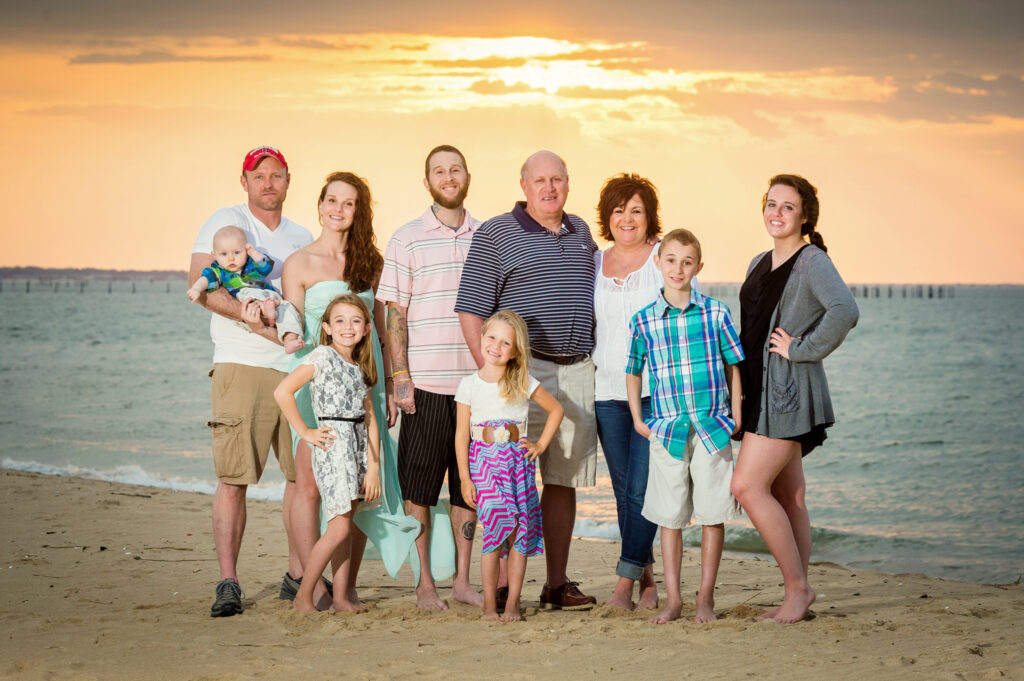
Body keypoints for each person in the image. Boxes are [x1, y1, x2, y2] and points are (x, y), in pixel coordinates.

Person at [456, 150, 599, 610]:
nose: (549, 188)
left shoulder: (581, 232)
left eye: (558, 178)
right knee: (504, 481)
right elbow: (471, 309)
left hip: (577, 369)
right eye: (540, 180)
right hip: (524, 370)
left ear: (568, 184)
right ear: (523, 185)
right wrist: (493, 375)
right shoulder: (496, 233)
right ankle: (499, 586)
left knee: (561, 480)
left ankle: (555, 584)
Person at [279, 171, 427, 609]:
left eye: (348, 202)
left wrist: (394, 384)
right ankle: (313, 583)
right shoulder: (298, 263)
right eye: (331, 200)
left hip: (366, 379)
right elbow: (291, 327)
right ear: (320, 204)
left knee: (361, 489)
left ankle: (346, 586)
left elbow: (383, 332)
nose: (338, 209)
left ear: (359, 211)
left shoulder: (372, 263)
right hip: (315, 384)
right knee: (309, 485)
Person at [189, 145, 313, 617]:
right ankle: (228, 582)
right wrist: (255, 321)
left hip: (294, 367)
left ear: (288, 180)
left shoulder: (301, 235)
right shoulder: (226, 220)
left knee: (301, 478)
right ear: (244, 180)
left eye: (276, 175)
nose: (268, 183)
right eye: (259, 175)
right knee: (233, 477)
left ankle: (297, 574)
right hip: (241, 363)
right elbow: (203, 285)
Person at [729, 174, 859, 624]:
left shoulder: (811, 261)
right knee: (790, 494)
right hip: (757, 392)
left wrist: (800, 349)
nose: (777, 213)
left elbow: (845, 310)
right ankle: (798, 592)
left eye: (787, 207)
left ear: (804, 216)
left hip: (785, 394)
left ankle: (797, 589)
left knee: (746, 486)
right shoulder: (756, 262)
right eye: (771, 204)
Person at [378, 145, 483, 610]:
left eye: (455, 169)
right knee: (419, 487)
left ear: (466, 176)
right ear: (427, 182)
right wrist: (398, 375)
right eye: (439, 171)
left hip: (476, 389)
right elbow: (394, 311)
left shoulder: (487, 237)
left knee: (468, 487)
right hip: (423, 384)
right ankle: (425, 583)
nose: (448, 176)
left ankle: (462, 580)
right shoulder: (406, 238)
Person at [625, 229, 744, 624]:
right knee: (670, 518)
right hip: (667, 430)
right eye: (671, 260)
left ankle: (705, 598)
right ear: (658, 262)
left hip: (712, 429)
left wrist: (737, 414)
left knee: (712, 515)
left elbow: (733, 364)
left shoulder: (715, 312)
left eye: (687, 262)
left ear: (699, 267)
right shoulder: (643, 321)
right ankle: (674, 599)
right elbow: (633, 371)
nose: (678, 269)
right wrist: (639, 420)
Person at [592, 173, 681, 611]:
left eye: (637, 211)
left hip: (656, 396)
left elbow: (689, 322)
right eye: (619, 210)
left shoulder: (663, 260)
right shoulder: (594, 262)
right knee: (624, 491)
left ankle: (623, 587)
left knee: (642, 491)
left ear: (650, 217)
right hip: (606, 392)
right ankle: (648, 582)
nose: (627, 219)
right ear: (607, 216)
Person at [274, 294, 383, 612]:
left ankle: (339, 598)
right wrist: (305, 432)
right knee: (338, 526)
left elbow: (371, 418)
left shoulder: (359, 365)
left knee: (347, 524)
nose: (348, 327)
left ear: (365, 329)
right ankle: (303, 596)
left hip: (358, 448)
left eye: (355, 320)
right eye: (340, 321)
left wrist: (373, 466)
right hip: (334, 449)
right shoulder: (321, 356)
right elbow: (282, 392)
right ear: (327, 328)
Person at [455, 310, 564, 621]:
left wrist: (541, 445)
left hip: (518, 464)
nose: (496, 347)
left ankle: (513, 602)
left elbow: (555, 409)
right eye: (492, 338)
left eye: (506, 343)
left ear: (515, 351)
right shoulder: (469, 385)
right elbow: (461, 435)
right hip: (484, 464)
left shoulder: (522, 381)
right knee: (492, 531)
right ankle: (490, 604)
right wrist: (465, 478)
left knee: (520, 530)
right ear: (481, 337)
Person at [187, 225, 304, 354]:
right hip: (249, 306)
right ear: (214, 255)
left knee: (289, 310)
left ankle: (290, 340)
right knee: (246, 294)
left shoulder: (252, 264)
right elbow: (205, 279)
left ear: (245, 250)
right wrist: (196, 289)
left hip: (272, 299)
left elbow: (266, 267)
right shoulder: (219, 272)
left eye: (237, 252)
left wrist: (254, 253)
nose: (231, 258)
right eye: (224, 254)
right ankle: (266, 308)